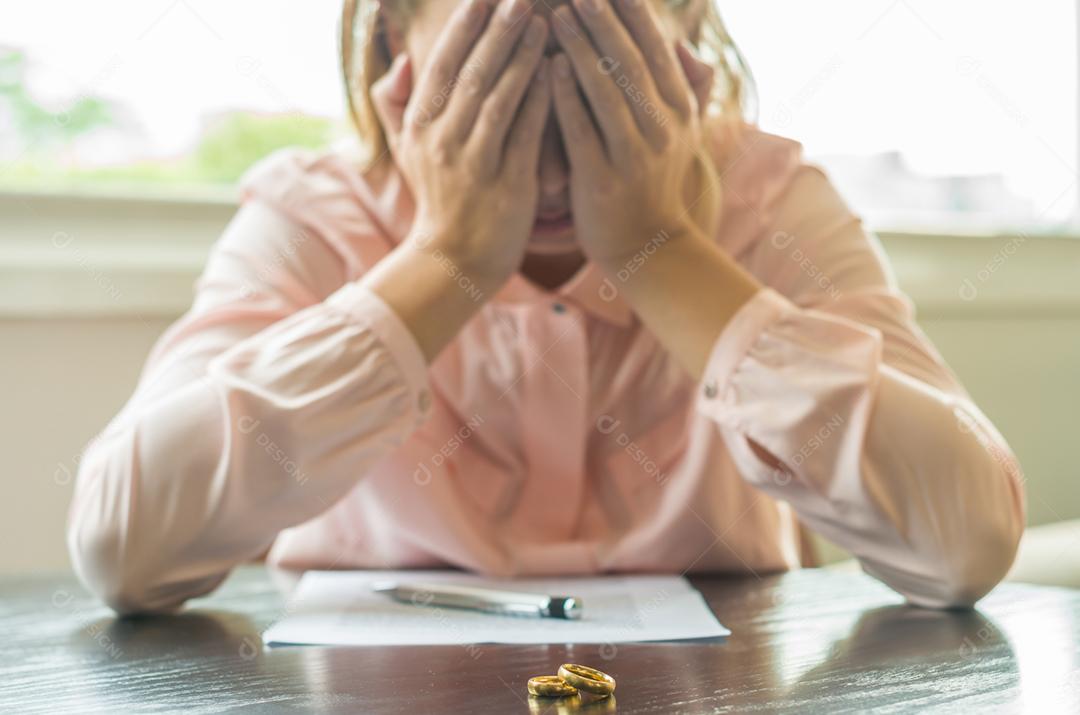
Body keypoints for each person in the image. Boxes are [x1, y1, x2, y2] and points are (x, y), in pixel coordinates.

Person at [67, 0, 1025, 614]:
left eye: (609, 71)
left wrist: (660, 251)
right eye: (499, 74)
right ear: (397, 46)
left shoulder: (769, 201)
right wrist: (447, 259)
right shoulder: (316, 214)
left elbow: (965, 543)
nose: (558, 157)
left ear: (687, 37)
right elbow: (122, 547)